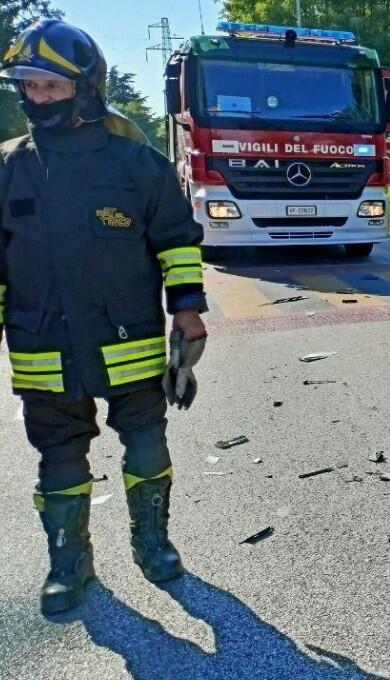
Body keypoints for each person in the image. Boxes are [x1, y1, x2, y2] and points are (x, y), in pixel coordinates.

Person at [0, 19, 207, 614]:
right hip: (42, 348)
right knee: (58, 456)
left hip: (130, 344)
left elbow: (176, 241)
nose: (37, 98)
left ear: (85, 87)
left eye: (50, 87)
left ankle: (153, 543)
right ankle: (69, 561)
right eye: (29, 87)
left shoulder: (136, 165)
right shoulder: (9, 168)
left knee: (146, 442)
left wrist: (187, 311)